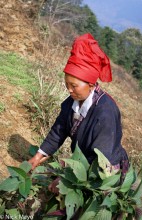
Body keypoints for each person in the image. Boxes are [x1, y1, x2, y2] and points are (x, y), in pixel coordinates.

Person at [28, 33, 129, 193]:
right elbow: (58, 132)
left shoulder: (105, 113)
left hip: (105, 170)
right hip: (82, 164)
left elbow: (100, 158)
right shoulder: (71, 103)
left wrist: (66, 179)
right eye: (66, 84)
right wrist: (38, 156)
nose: (69, 90)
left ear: (90, 84)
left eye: (73, 86)